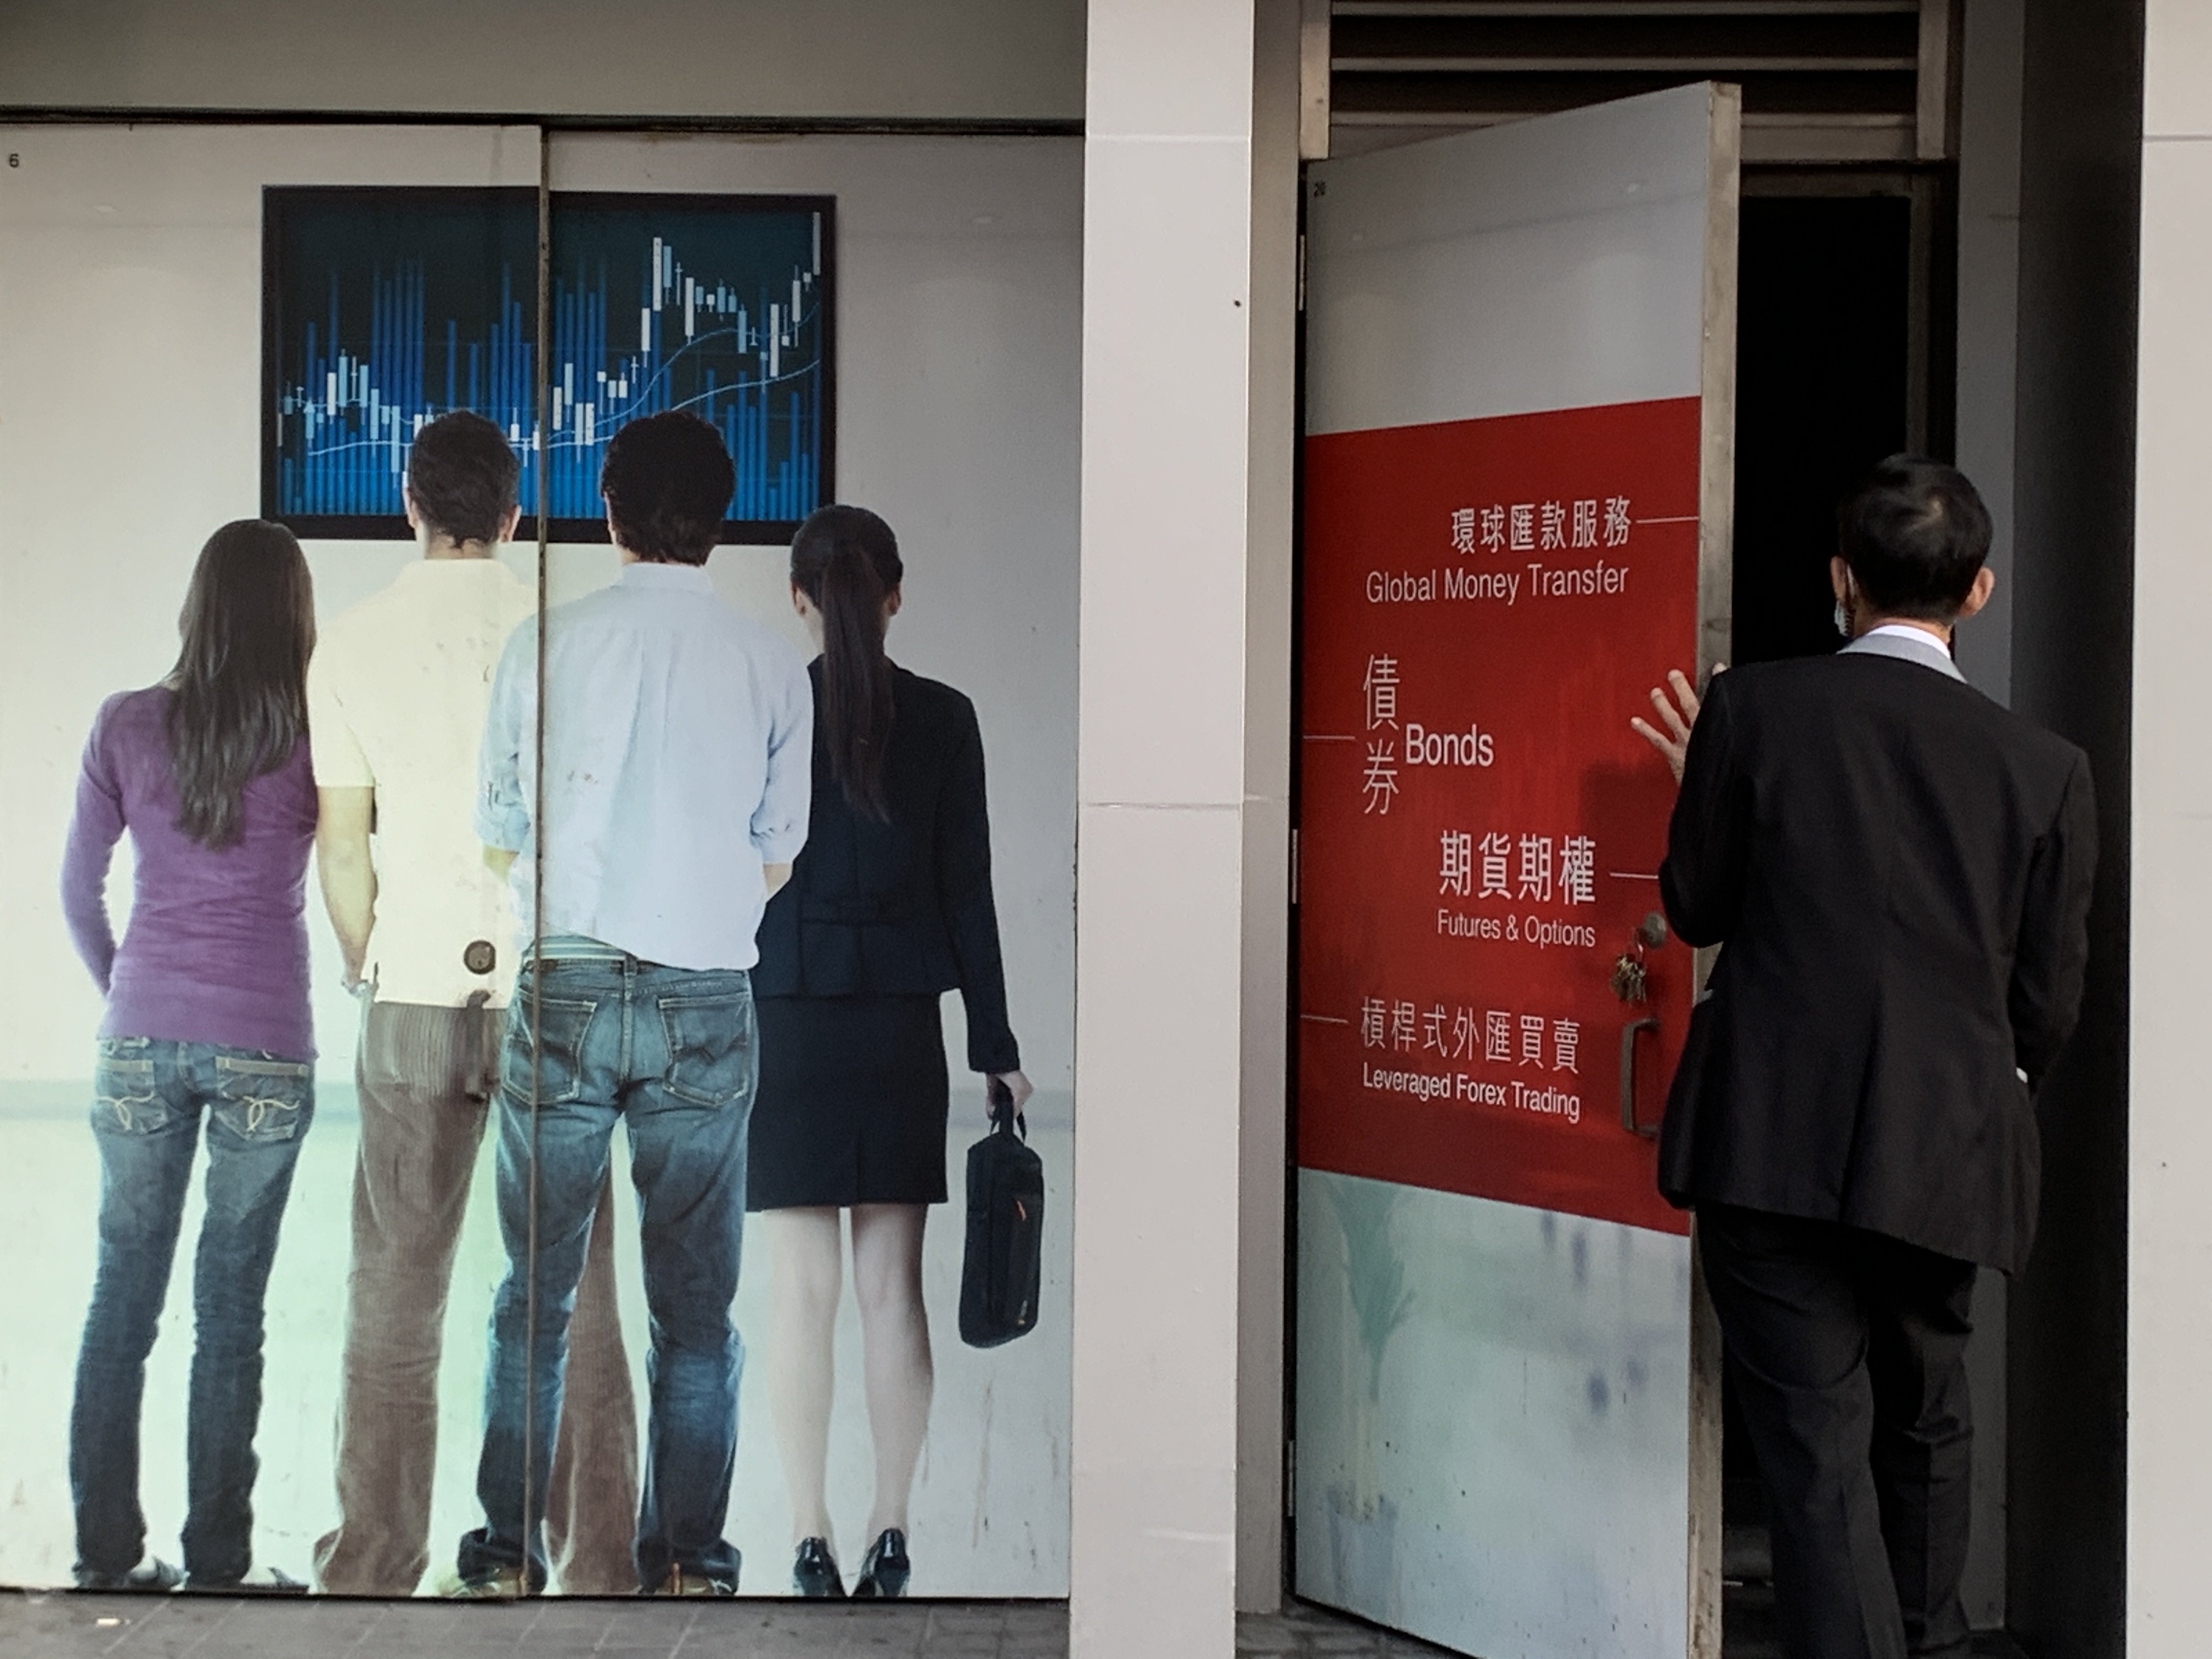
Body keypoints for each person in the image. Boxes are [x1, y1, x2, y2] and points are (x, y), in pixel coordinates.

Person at [1633, 456, 2097, 1659]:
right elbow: (2046, 1002)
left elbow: (1695, 905)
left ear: (1840, 579)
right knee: (1929, 1418)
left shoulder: (1754, 712)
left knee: (1816, 1447)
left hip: (1771, 1135)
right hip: (1946, 1147)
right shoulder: (2045, 769)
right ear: (1979, 591)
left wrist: (1706, 788)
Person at [454, 410, 812, 1598]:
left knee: (534, 1302)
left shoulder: (543, 645)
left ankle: (506, 1557)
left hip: (561, 979)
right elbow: (778, 853)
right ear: (722, 521)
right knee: (696, 1316)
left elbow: (501, 830)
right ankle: (689, 1564)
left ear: (607, 516)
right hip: (707, 994)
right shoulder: (771, 663)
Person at [307, 411, 639, 1596]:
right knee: (577, 1292)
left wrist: (367, 959)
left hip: (411, 989)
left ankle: (374, 1561)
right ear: (511, 517)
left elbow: (343, 848)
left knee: (396, 1288)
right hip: (556, 987)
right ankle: (597, 1561)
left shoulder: (348, 641)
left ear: (409, 504)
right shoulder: (563, 637)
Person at [748, 504, 1031, 1600]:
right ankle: (893, 1525)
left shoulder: (773, 709)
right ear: (897, 594)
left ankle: (810, 1530)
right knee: (890, 1291)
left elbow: (746, 870)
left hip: (791, 1012)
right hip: (902, 1021)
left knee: (800, 1293)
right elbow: (970, 893)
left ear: (800, 597)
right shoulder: (947, 719)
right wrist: (994, 1043)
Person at [59, 520, 321, 1594]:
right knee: (230, 1317)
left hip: (139, 1037)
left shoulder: (127, 723)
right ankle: (218, 1568)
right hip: (267, 1044)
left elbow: (79, 894)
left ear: (197, 607)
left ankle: (107, 1560)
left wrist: (136, 997)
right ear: (293, 617)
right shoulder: (316, 733)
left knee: (122, 1302)